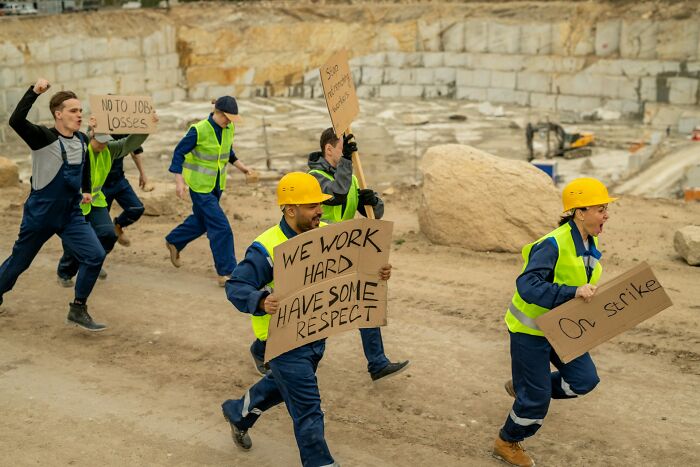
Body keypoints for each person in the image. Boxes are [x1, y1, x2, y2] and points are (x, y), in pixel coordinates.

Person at [222, 172, 390, 467]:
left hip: (314, 335)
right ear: (290, 210)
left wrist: (377, 271)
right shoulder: (266, 248)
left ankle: (238, 412)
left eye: (319, 205)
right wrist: (260, 300)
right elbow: (236, 287)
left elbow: (354, 266)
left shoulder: (326, 235)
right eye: (312, 206)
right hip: (281, 343)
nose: (320, 211)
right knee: (308, 409)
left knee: (279, 387)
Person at [492, 177, 617, 467]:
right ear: (579, 212)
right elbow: (527, 286)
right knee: (536, 402)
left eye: (606, 209)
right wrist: (572, 292)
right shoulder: (552, 244)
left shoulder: (590, 241)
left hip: (561, 330)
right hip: (530, 331)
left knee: (584, 380)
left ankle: (525, 387)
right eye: (601, 209)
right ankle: (506, 441)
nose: (606, 215)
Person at [286, 127, 406, 382]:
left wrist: (372, 201)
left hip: (345, 250)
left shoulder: (349, 175)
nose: (348, 152)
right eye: (343, 147)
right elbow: (338, 195)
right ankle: (262, 350)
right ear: (329, 149)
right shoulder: (313, 178)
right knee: (307, 310)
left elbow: (375, 213)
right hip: (318, 254)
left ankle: (377, 362)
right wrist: (348, 162)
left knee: (365, 296)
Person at [0, 78, 106, 331]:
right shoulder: (43, 137)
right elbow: (16, 121)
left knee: (95, 255)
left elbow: (86, 165)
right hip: (41, 214)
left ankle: (78, 308)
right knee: (19, 262)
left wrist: (88, 190)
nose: (79, 114)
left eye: (81, 110)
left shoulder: (81, 139)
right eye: (73, 110)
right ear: (58, 115)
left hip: (70, 213)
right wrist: (33, 92)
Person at [165, 96, 253, 287]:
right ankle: (227, 272)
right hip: (199, 187)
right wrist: (179, 181)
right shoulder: (199, 130)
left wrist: (243, 168)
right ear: (218, 112)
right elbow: (178, 153)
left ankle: (174, 241)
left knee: (202, 221)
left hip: (216, 186)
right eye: (227, 118)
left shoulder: (229, 128)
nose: (229, 121)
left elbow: (228, 153)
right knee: (221, 227)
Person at [56, 115, 155, 286]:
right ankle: (65, 272)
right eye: (99, 141)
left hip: (96, 200)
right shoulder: (79, 147)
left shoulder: (110, 149)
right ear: (90, 137)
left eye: (106, 141)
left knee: (108, 235)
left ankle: (92, 261)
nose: (103, 145)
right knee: (75, 241)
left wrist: (147, 126)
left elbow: (131, 143)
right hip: (74, 202)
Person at [104, 133, 151, 248]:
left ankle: (118, 225)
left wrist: (143, 174)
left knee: (137, 208)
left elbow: (135, 151)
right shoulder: (98, 128)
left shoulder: (124, 126)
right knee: (103, 231)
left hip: (119, 179)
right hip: (100, 185)